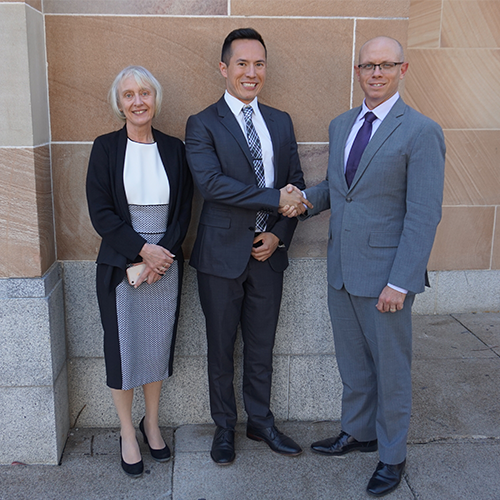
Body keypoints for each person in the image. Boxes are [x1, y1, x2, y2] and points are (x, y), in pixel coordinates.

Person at [284, 36, 445, 496]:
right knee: (353, 365)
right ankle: (358, 432)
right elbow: (341, 188)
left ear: (402, 69)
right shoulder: (342, 125)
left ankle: (392, 456)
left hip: (386, 279)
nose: (376, 73)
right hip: (341, 269)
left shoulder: (420, 131)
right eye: (368, 65)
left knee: (391, 371)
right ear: (357, 71)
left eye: (386, 65)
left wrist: (401, 281)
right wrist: (303, 202)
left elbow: (423, 214)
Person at [184, 28, 311, 465]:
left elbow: (296, 183)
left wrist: (279, 233)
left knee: (261, 347)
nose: (251, 73)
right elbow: (213, 185)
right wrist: (274, 198)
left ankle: (260, 421)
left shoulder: (280, 120)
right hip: (220, 257)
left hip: (267, 255)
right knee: (220, 349)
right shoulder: (202, 123)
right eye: (242, 63)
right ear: (224, 68)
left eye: (258, 64)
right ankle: (224, 428)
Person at [86, 66, 193, 477]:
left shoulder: (174, 148)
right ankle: (127, 431)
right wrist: (143, 250)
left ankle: (152, 423)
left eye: (144, 93)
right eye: (128, 94)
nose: (137, 101)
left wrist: (162, 253)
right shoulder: (105, 148)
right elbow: (101, 214)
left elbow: (184, 209)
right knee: (122, 348)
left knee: (154, 346)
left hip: (165, 264)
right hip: (121, 264)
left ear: (155, 99)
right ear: (119, 103)